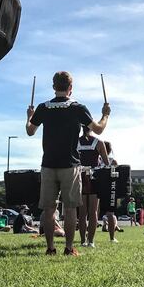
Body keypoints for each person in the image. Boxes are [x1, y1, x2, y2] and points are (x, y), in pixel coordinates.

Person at [26, 71, 110, 256]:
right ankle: (69, 248)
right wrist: (105, 115)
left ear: (54, 87)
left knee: (49, 210)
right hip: (70, 165)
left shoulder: (43, 107)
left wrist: (29, 116)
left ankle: (50, 248)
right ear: (70, 88)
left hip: (48, 164)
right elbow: (99, 129)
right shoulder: (78, 108)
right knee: (71, 208)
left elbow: (30, 131)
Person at [77, 126, 109, 248]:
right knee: (93, 211)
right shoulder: (99, 142)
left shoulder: (76, 141)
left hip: (80, 176)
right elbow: (106, 163)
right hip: (94, 178)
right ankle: (91, 241)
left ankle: (82, 241)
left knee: (82, 212)